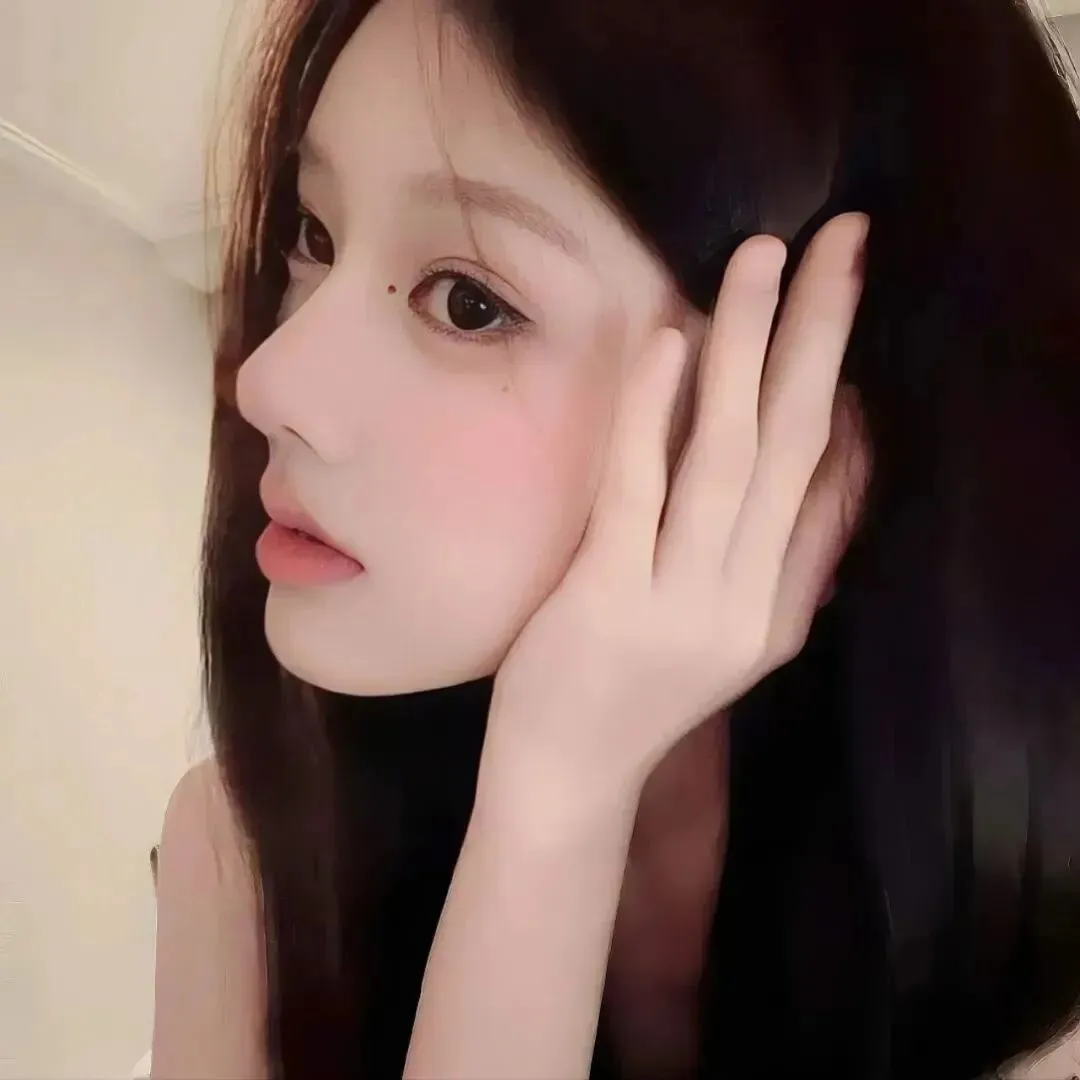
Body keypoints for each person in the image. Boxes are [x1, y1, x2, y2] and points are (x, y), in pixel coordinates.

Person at [150, 0, 1080, 1076]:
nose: (268, 381)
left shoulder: (1023, 947)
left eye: (467, 302)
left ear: (819, 438)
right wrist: (550, 809)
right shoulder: (245, 855)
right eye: (314, 236)